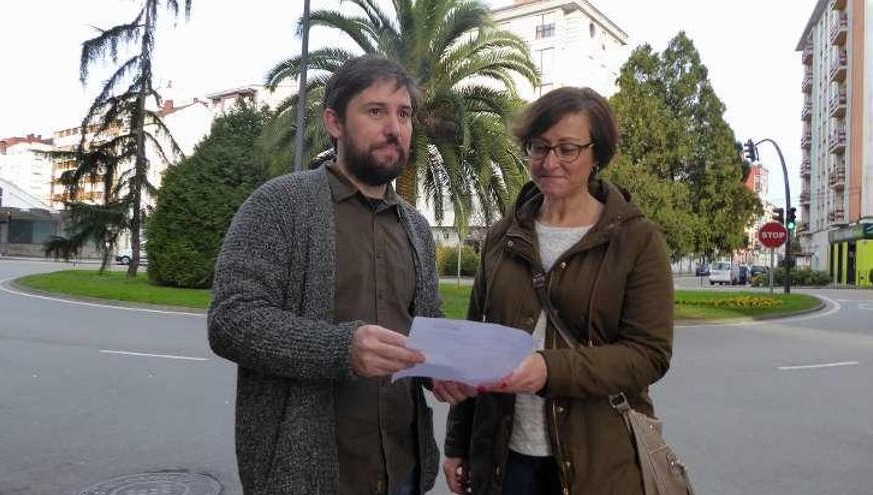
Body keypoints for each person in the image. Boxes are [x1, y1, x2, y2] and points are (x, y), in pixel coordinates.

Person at [208, 55, 443, 495]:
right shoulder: (280, 204)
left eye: (404, 113)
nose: (395, 128)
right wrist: (341, 348)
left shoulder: (416, 228)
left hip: (403, 470)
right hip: (306, 475)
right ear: (334, 123)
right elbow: (230, 320)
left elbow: (424, 327)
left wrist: (440, 369)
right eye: (376, 111)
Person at [443, 87, 674, 495]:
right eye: (539, 147)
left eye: (568, 149)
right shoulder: (502, 236)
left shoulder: (636, 240)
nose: (550, 162)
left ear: (596, 154)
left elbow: (649, 354)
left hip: (599, 463)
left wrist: (549, 370)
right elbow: (474, 342)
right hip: (502, 459)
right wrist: (457, 445)